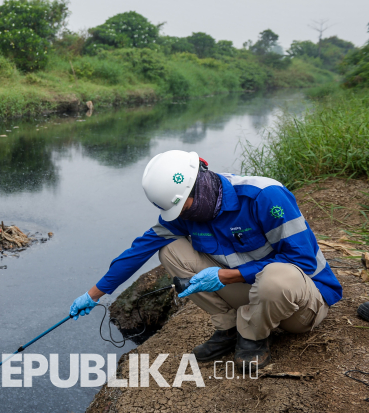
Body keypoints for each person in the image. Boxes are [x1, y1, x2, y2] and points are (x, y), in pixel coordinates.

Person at [69, 150, 342, 368]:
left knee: (277, 277)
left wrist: (226, 276)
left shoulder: (264, 196)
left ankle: (253, 336)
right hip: (259, 293)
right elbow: (138, 250)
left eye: (183, 208)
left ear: (199, 186)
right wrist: (93, 295)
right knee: (170, 250)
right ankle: (230, 329)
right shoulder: (187, 214)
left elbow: (302, 261)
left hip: (302, 302)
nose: (182, 218)